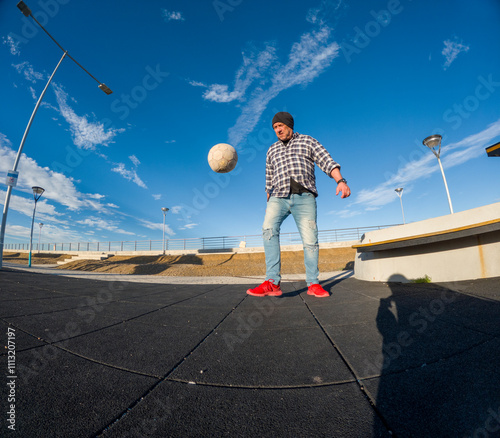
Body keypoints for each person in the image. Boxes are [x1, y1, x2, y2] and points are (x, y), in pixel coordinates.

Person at [247, 111, 351, 298]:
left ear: (289, 125)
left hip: (304, 197)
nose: (277, 130)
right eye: (274, 128)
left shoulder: (308, 141)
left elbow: (327, 161)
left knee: (310, 239)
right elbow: (268, 179)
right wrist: (269, 201)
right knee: (268, 229)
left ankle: (313, 283)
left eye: (280, 126)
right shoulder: (271, 150)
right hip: (278, 197)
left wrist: (340, 181)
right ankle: (272, 282)